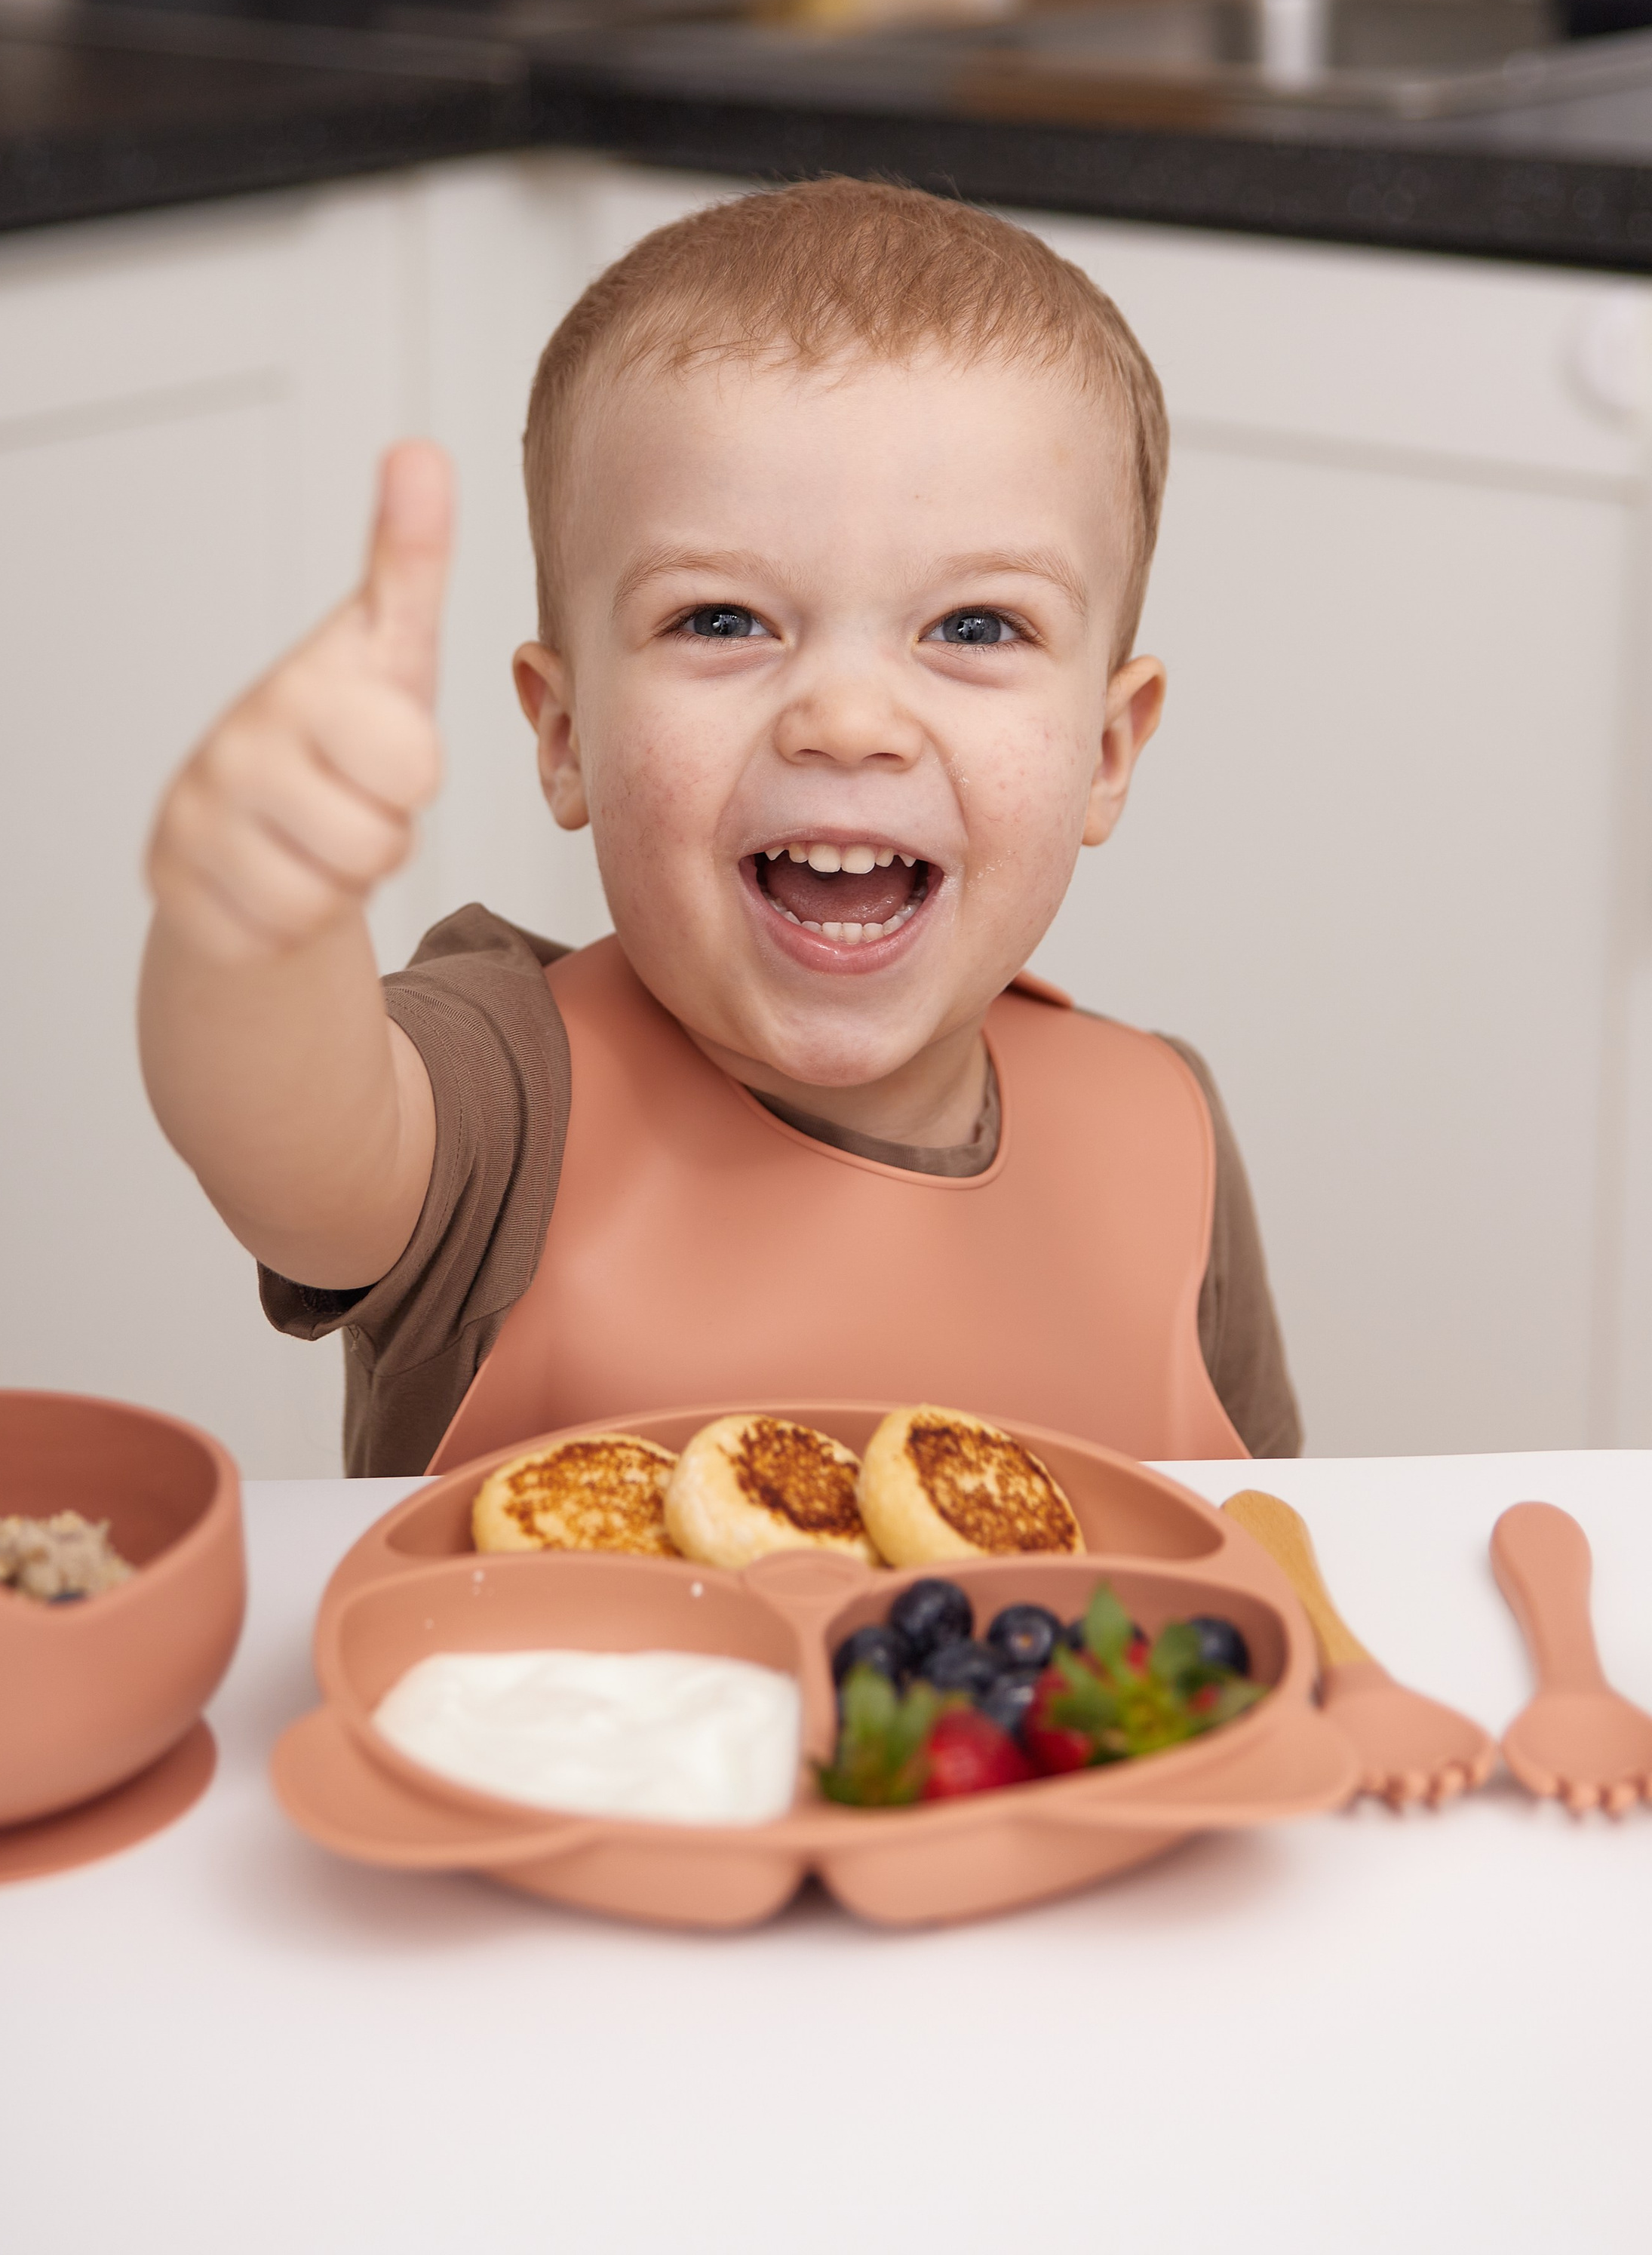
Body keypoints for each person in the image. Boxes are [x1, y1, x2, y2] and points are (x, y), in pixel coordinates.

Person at [139, 179, 1300, 1476]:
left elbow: (1280, 1572)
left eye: (974, 627)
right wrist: (248, 929)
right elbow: (297, 1150)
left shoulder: (1166, 1140)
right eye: (723, 621)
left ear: (1104, 751)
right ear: (565, 733)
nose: (848, 718)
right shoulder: (506, 1101)